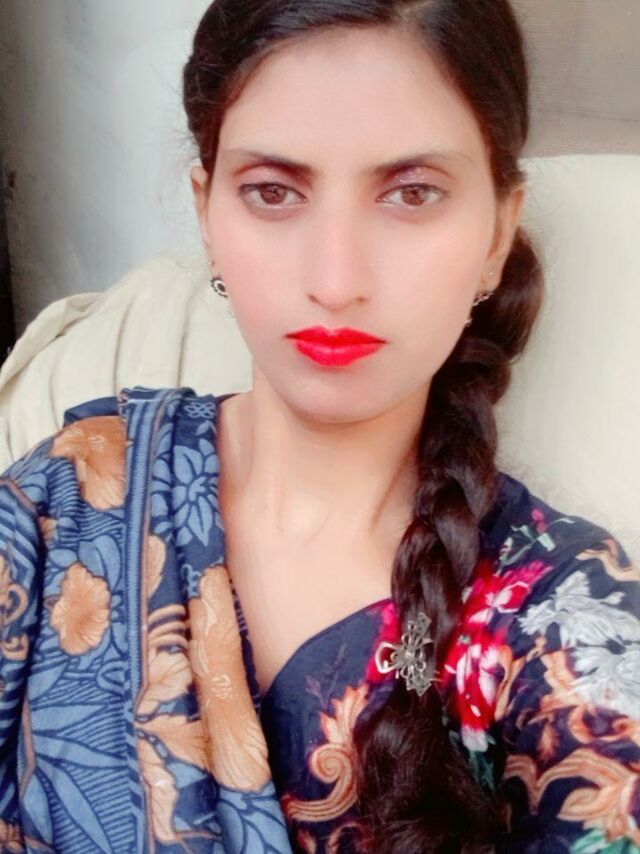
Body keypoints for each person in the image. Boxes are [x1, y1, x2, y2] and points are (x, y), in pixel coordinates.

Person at [0, 0, 639, 851]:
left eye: (412, 193)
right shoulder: (75, 491)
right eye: (273, 192)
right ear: (207, 215)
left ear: (497, 233)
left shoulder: (559, 619)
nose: (336, 280)